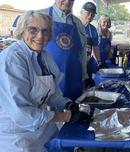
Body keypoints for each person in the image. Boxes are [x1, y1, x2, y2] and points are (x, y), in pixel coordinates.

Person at [0, 10, 83, 152]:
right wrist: (63, 116)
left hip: (43, 129)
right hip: (17, 134)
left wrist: (67, 104)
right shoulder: (13, 59)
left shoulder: (45, 57)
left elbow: (52, 93)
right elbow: (20, 113)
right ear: (22, 31)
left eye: (45, 31)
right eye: (33, 30)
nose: (40, 36)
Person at [41, 0, 87, 101]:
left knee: (74, 113)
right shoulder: (41, 17)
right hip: (49, 80)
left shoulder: (77, 23)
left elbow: (82, 52)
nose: (67, 1)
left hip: (74, 78)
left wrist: (84, 76)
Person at [80, 2, 101, 85]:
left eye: (92, 15)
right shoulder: (73, 25)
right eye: (88, 13)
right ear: (81, 12)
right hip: (74, 64)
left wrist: (99, 62)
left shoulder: (93, 30)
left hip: (87, 64)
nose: (90, 16)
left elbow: (95, 47)